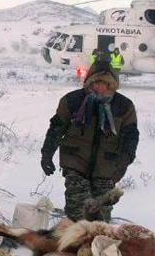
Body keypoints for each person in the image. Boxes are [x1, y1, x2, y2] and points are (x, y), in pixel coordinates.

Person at [40, 59, 139, 222]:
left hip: (107, 168)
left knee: (100, 220)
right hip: (75, 163)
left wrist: (122, 164)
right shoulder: (72, 101)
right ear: (89, 82)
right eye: (96, 83)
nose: (100, 87)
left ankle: (94, 245)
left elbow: (130, 137)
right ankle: (74, 245)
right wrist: (46, 154)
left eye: (105, 84)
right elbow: (56, 128)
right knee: (78, 214)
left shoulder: (124, 106)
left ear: (112, 85)